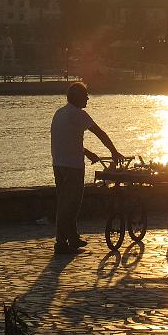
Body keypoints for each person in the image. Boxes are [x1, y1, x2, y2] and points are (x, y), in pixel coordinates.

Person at [51, 82, 124, 255]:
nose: (88, 98)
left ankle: (72, 237)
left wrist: (86, 152)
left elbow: (66, 139)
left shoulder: (60, 113)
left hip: (59, 164)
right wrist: (113, 151)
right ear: (77, 98)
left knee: (66, 201)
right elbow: (99, 133)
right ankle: (61, 242)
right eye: (85, 96)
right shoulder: (79, 114)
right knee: (70, 204)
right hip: (72, 166)